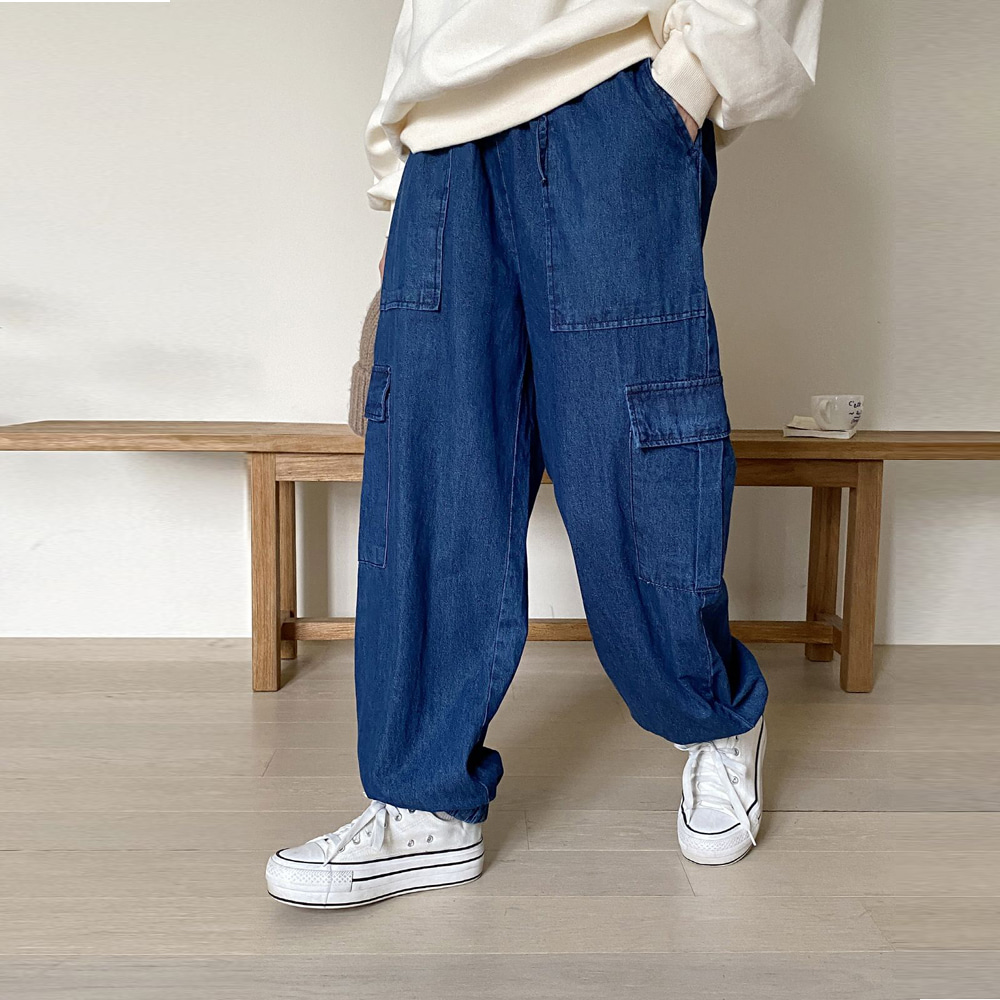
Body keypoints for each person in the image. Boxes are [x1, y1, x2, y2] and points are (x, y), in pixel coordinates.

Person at [267, 0, 823, 909]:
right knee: (432, 470)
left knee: (635, 452)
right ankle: (423, 801)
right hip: (444, 143)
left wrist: (692, 80)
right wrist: (402, 174)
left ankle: (714, 718)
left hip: (608, 102)